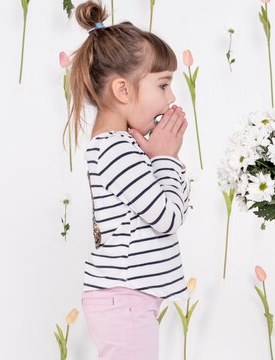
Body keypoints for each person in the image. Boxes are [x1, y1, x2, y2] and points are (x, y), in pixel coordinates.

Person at [66, 1, 190, 359]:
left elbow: (173, 208)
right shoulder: (116, 150)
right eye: (163, 85)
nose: (172, 98)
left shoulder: (125, 147)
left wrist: (164, 157)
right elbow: (168, 218)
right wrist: (165, 156)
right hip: (124, 299)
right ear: (123, 91)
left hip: (129, 299)